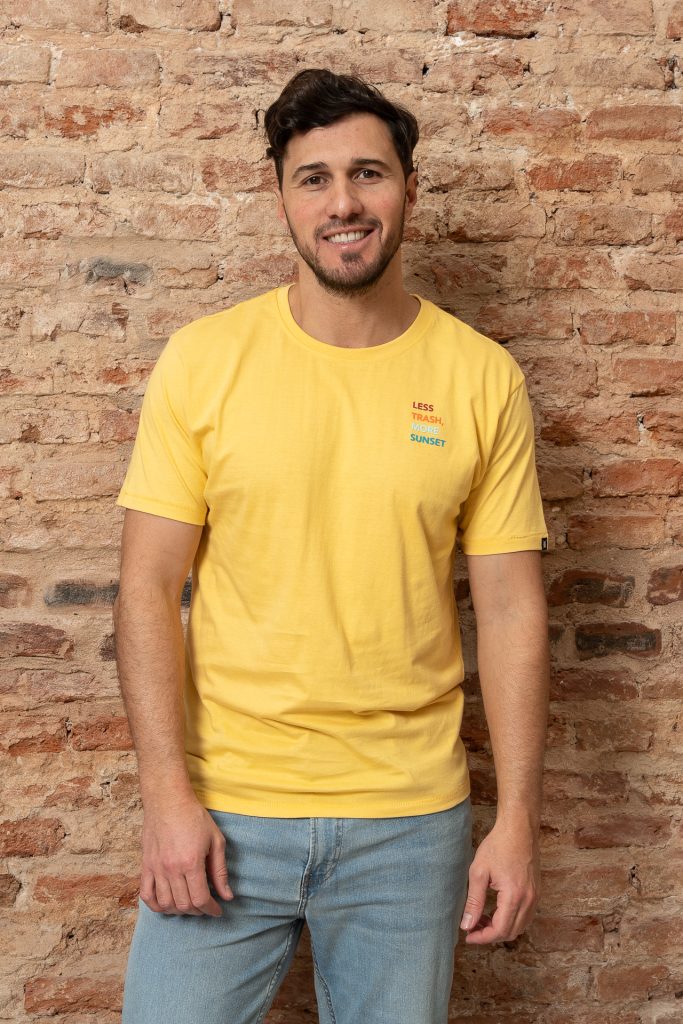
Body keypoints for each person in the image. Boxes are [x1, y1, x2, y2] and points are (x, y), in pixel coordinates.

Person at [114, 69, 549, 1024]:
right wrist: (165, 798)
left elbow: (512, 607)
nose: (342, 203)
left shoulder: (481, 379)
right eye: (313, 179)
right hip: (223, 811)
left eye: (367, 174)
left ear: (409, 190)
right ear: (281, 198)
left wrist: (516, 819)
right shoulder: (204, 362)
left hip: (409, 826)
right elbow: (146, 588)